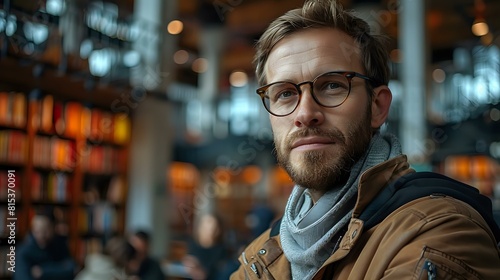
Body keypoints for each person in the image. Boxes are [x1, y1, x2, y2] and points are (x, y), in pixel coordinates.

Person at [230, 0, 500, 279]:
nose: (305, 113)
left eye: (332, 85)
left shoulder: (441, 230)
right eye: (285, 93)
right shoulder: (262, 253)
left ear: (378, 107)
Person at [15, 210, 76, 280]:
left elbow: (71, 269)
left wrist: (43, 272)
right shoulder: (23, 251)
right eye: (37, 231)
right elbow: (22, 277)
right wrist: (59, 269)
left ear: (53, 229)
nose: (41, 235)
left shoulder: (60, 245)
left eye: (45, 231)